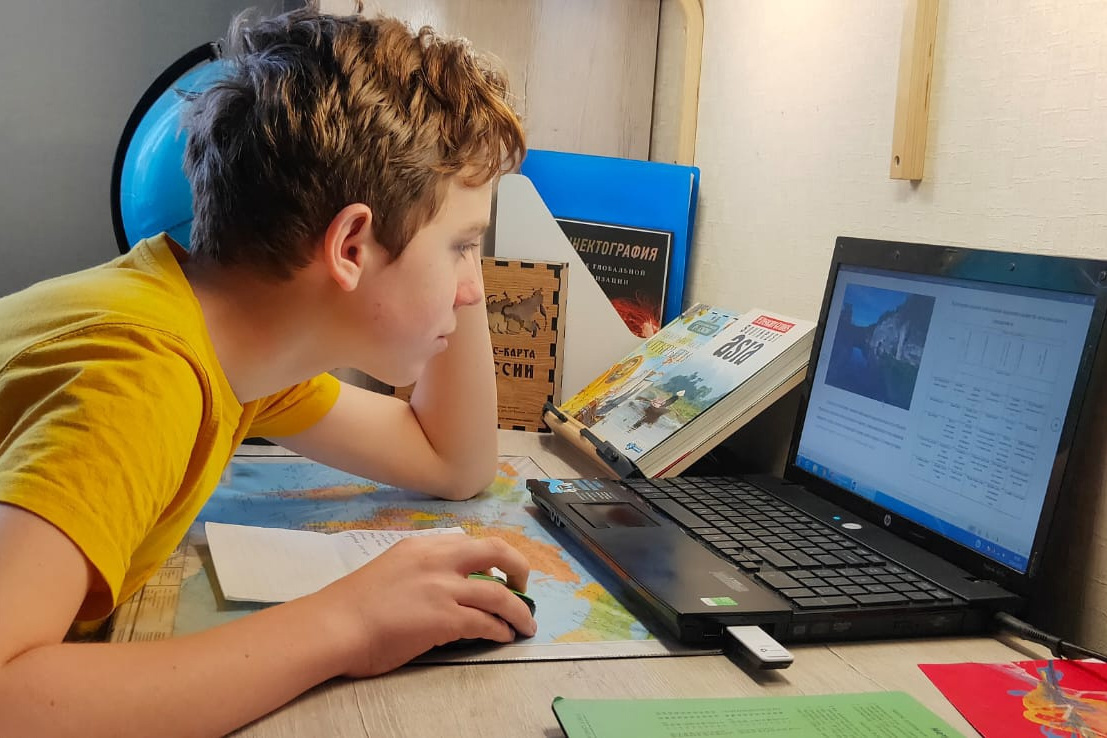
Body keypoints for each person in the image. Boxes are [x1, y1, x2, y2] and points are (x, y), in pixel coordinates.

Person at [0, 4, 537, 735]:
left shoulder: (241, 351)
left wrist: (446, 217)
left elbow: (451, 461)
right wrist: (350, 622)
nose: (475, 289)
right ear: (350, 246)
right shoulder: (142, 379)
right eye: (464, 249)